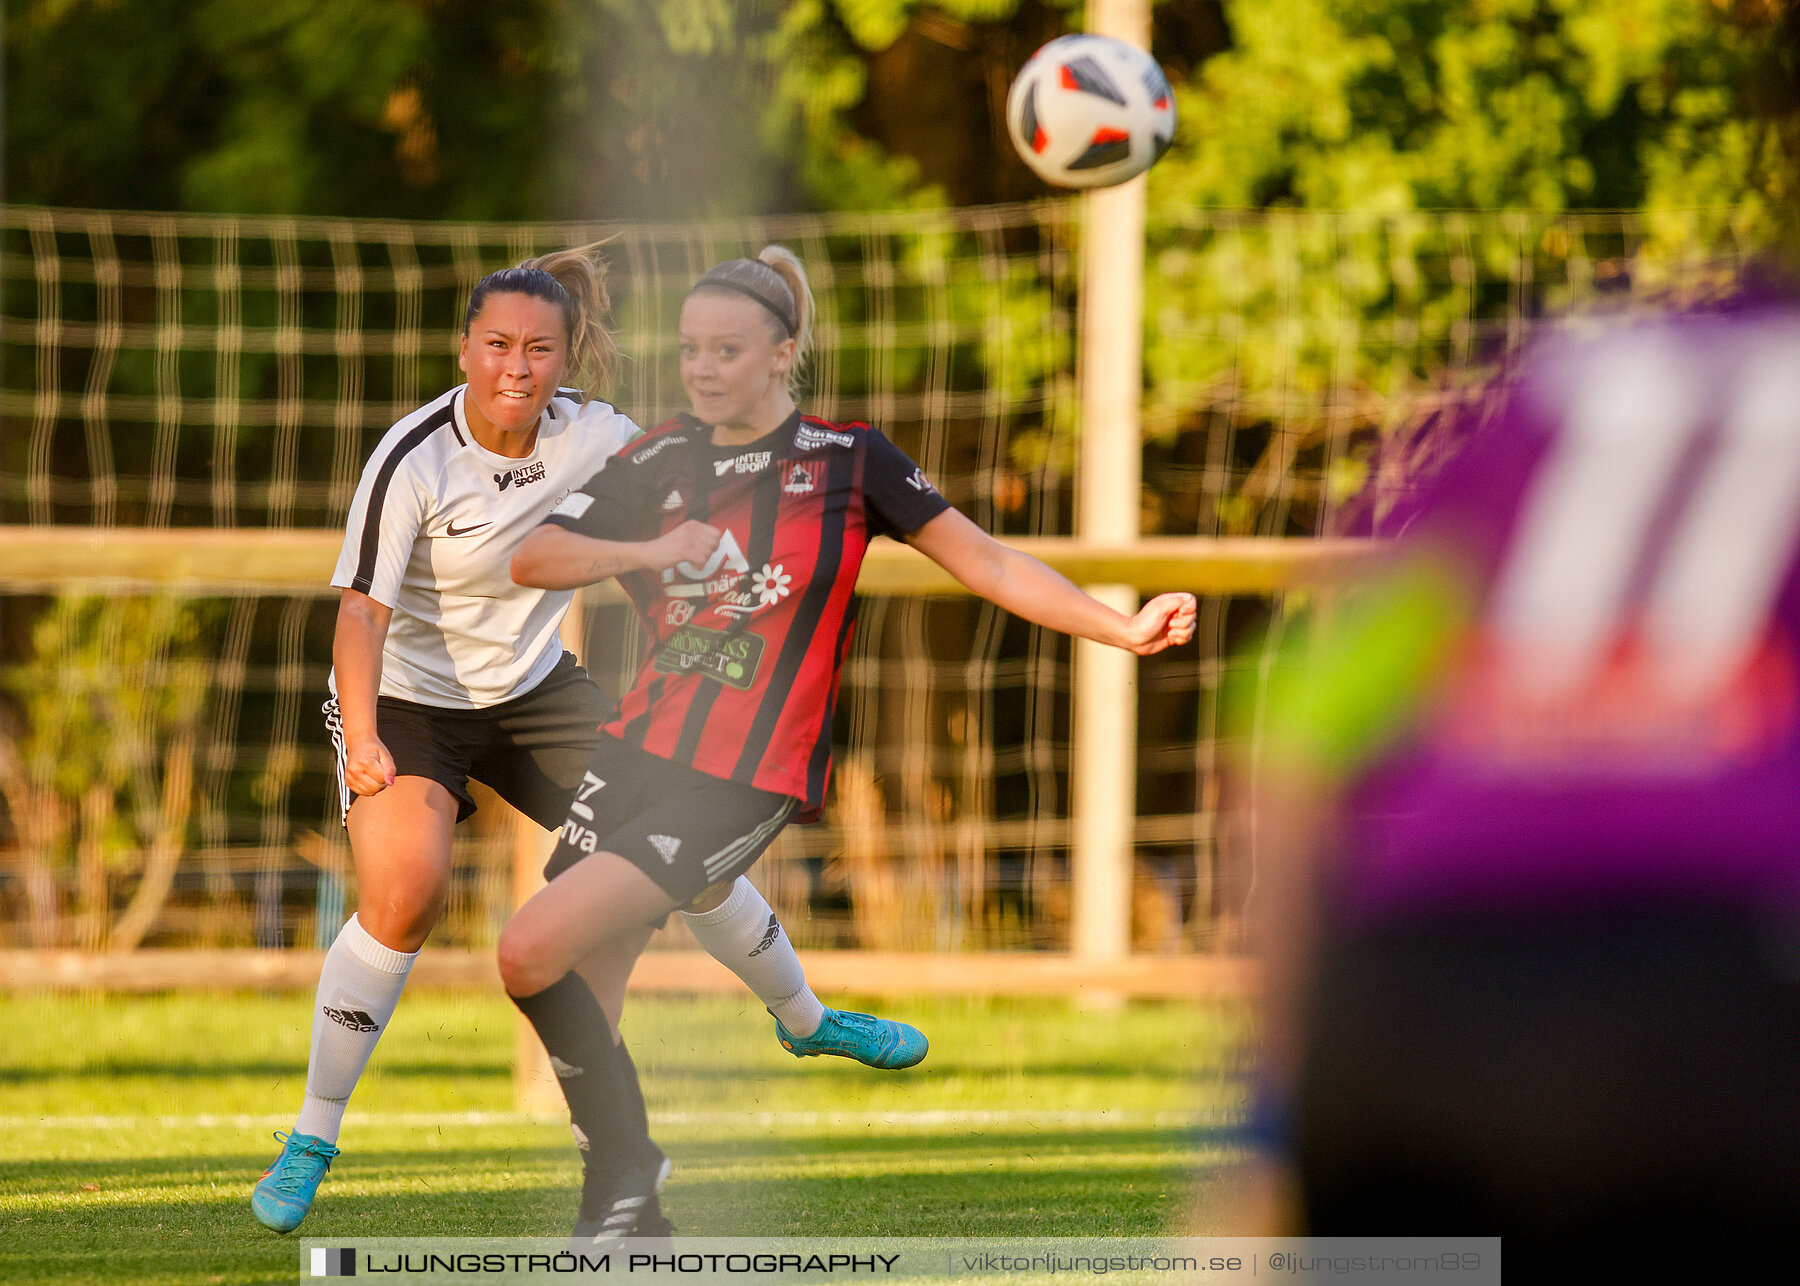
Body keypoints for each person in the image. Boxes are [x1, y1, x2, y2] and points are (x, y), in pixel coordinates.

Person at [500, 245, 1200, 1242]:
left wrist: (1118, 624)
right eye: (692, 348)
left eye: (728, 349)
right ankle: (623, 1222)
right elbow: (537, 555)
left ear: (783, 353)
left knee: (529, 950)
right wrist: (649, 548)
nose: (703, 368)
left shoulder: (849, 459)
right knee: (570, 983)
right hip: (635, 749)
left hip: (743, 774)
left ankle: (628, 1174)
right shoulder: (655, 457)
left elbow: (988, 559)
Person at [251, 246, 924, 1237]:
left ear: (568, 357)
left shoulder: (600, 436)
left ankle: (804, 1019)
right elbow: (359, 614)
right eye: (495, 346)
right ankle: (313, 1133)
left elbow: (707, 459)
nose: (515, 369)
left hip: (533, 691)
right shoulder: (413, 455)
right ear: (465, 348)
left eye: (538, 349)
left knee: (676, 841)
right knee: (406, 891)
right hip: (405, 700)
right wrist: (359, 737)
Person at [1240, 296, 1800, 1269]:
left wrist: (1270, 1111)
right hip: (1710, 1012)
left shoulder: (1560, 379)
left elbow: (1297, 739)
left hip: (1407, 1008)